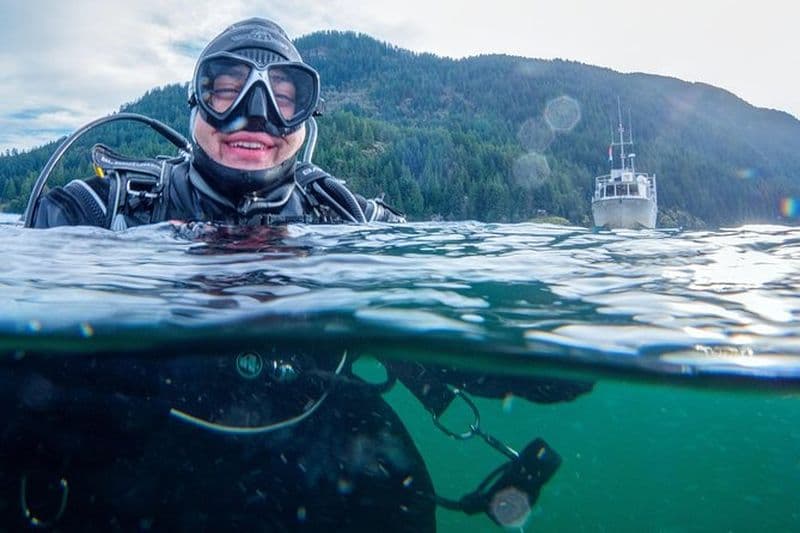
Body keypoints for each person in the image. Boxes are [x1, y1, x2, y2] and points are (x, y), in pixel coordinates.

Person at [6, 18, 592, 531]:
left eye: (284, 97)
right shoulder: (96, 213)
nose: (254, 114)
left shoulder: (353, 228)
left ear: (308, 117)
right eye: (227, 88)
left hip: (312, 477)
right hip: (125, 475)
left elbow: (553, 370)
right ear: (194, 102)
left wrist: (543, 329)